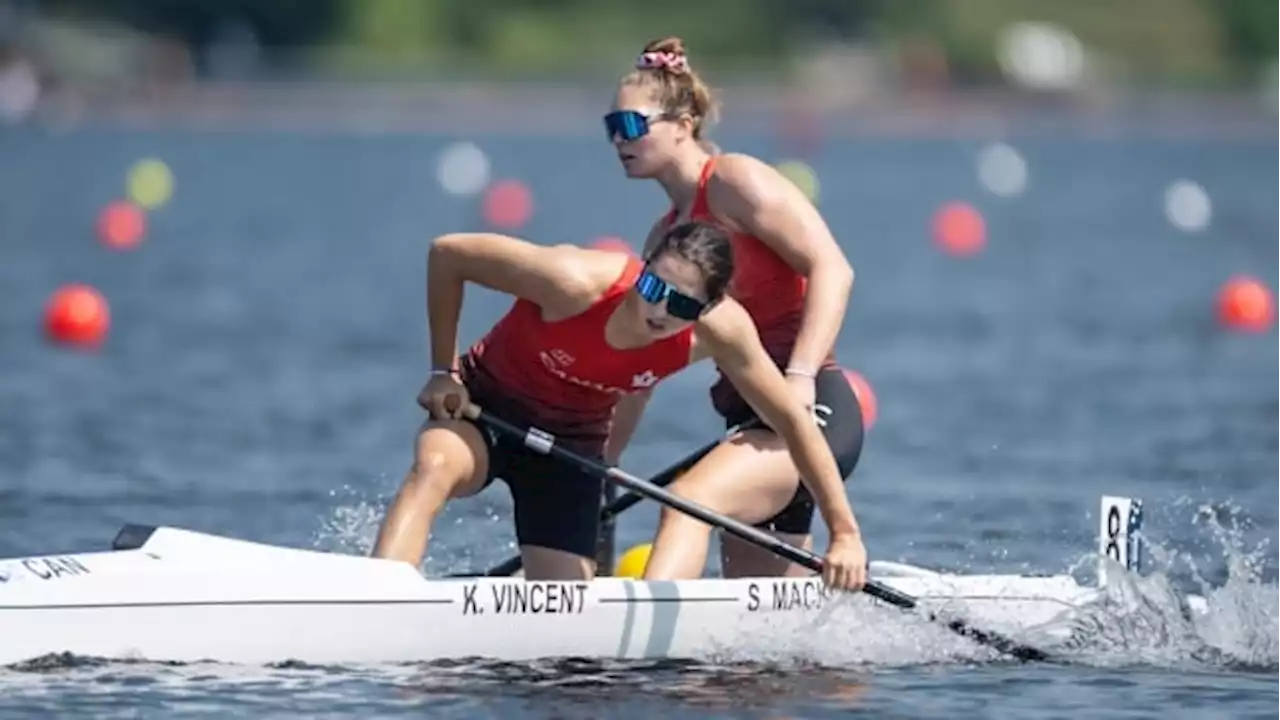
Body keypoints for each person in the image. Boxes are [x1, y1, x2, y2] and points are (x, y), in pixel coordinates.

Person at [370, 221, 867, 590]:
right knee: (434, 466)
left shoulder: (724, 331)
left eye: (683, 306)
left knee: (565, 616)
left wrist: (844, 533)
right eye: (654, 288)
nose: (659, 311)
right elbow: (448, 254)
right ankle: (378, 599)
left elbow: (795, 425)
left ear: (709, 309)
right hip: (485, 412)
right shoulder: (573, 281)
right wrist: (442, 372)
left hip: (571, 448)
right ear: (642, 270)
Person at [601, 37, 866, 583]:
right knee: (757, 633)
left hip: (809, 415)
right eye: (611, 127)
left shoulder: (733, 181)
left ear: (684, 121)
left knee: (686, 502)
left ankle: (643, 660)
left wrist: (800, 378)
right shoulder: (664, 238)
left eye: (630, 125)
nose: (617, 141)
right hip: (745, 424)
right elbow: (644, 368)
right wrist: (603, 457)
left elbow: (834, 269)